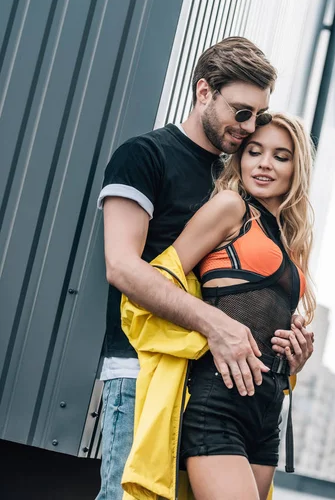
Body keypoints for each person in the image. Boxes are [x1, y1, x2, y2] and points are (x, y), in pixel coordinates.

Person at [96, 37, 314, 499]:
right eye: (241, 112)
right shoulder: (145, 156)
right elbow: (123, 267)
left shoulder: (234, 181)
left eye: (257, 114)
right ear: (203, 93)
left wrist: (283, 343)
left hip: (209, 382)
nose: (250, 126)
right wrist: (218, 325)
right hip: (144, 373)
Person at [170, 111, 316, 500]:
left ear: (296, 168)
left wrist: (295, 356)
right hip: (221, 397)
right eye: (254, 151)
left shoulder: (290, 238)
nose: (265, 164)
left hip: (268, 414)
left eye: (281, 156)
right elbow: (163, 279)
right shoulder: (231, 208)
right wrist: (214, 324)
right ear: (240, 157)